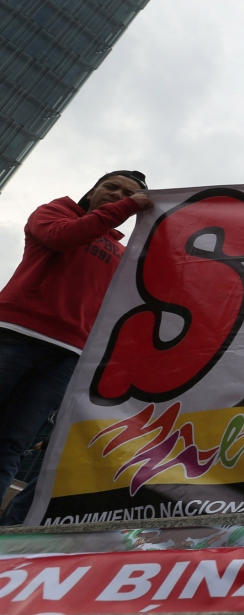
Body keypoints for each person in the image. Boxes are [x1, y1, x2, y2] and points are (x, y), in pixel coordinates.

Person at [0, 171, 150, 524]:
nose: (116, 195)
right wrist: (130, 205)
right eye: (111, 187)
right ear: (91, 192)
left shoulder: (123, 253)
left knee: (11, 444)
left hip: (68, 355)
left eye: (127, 193)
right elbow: (62, 238)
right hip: (14, 334)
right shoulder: (55, 213)